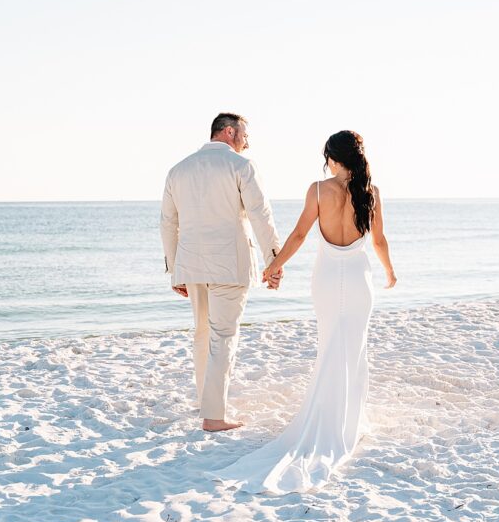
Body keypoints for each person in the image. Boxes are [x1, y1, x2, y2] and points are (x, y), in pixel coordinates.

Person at [212, 130, 397, 493]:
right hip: (360, 281)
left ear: (333, 156)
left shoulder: (317, 190)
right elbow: (378, 241)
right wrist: (390, 271)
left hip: (327, 279)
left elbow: (298, 235)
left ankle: (329, 418)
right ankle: (349, 422)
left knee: (330, 345)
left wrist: (273, 266)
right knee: (354, 349)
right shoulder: (371, 193)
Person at [160, 112, 283, 432]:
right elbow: (260, 215)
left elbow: (168, 223)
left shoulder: (178, 170)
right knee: (223, 337)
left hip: (191, 265)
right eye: (244, 134)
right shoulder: (242, 166)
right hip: (229, 264)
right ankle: (213, 416)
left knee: (202, 333)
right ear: (228, 132)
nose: (247, 141)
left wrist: (175, 269)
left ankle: (206, 400)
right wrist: (275, 260)